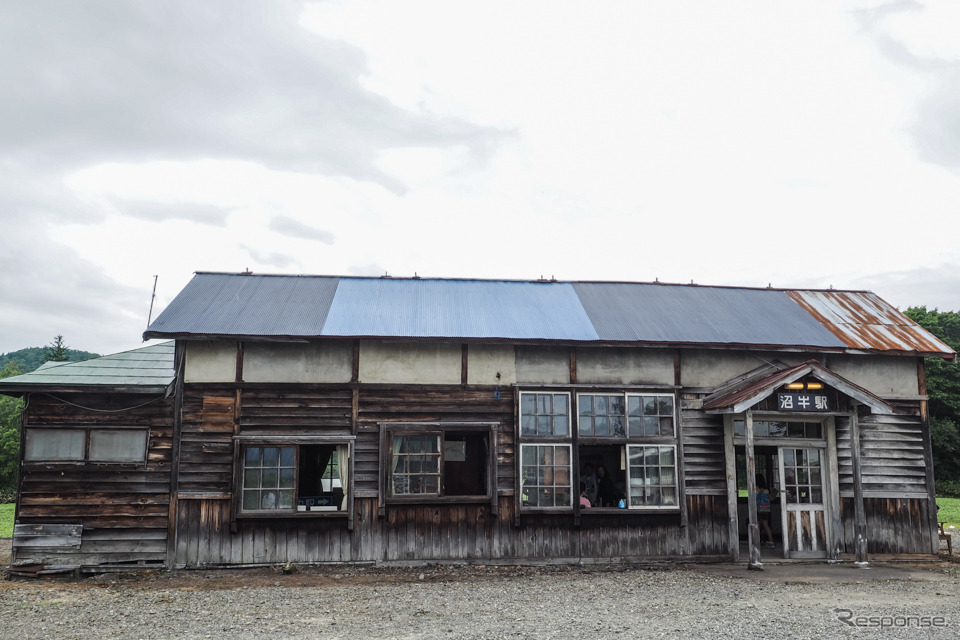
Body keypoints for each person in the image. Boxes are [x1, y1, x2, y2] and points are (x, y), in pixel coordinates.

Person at [756, 474, 775, 548]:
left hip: (758, 509)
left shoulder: (755, 490)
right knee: (766, 525)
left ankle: (756, 541)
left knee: (756, 525)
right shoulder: (766, 490)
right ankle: (771, 541)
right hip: (765, 509)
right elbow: (771, 499)